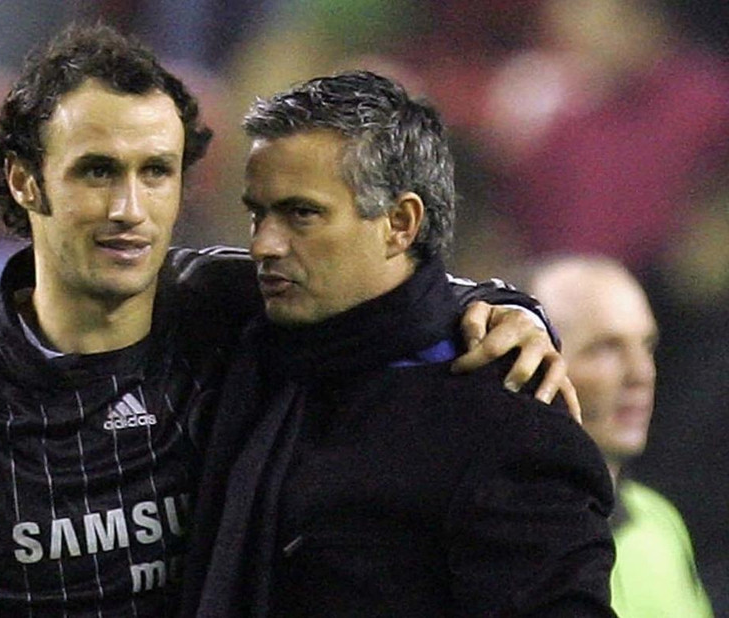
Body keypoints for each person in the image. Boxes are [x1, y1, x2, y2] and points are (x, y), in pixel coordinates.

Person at [0, 25, 579, 617]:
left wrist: (511, 310)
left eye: (156, 171)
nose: (129, 209)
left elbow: (390, 289)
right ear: (26, 180)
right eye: (98, 170)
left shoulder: (237, 316)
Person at [179, 71, 615, 617]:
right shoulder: (236, 340)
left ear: (401, 223)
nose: (264, 245)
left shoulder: (504, 421)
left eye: (301, 214)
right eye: (256, 214)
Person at [524, 255, 713, 618]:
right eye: (605, 348)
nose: (642, 373)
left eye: (648, 346)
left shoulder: (658, 519)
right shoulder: (499, 538)